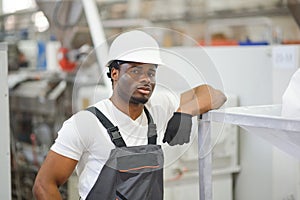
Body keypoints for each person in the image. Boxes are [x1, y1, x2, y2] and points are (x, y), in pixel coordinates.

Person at [33, 30, 227, 200]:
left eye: (151, 72)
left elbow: (215, 94)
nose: (145, 79)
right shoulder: (85, 124)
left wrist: (185, 111)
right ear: (115, 73)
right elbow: (44, 185)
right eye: (135, 70)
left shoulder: (158, 107)